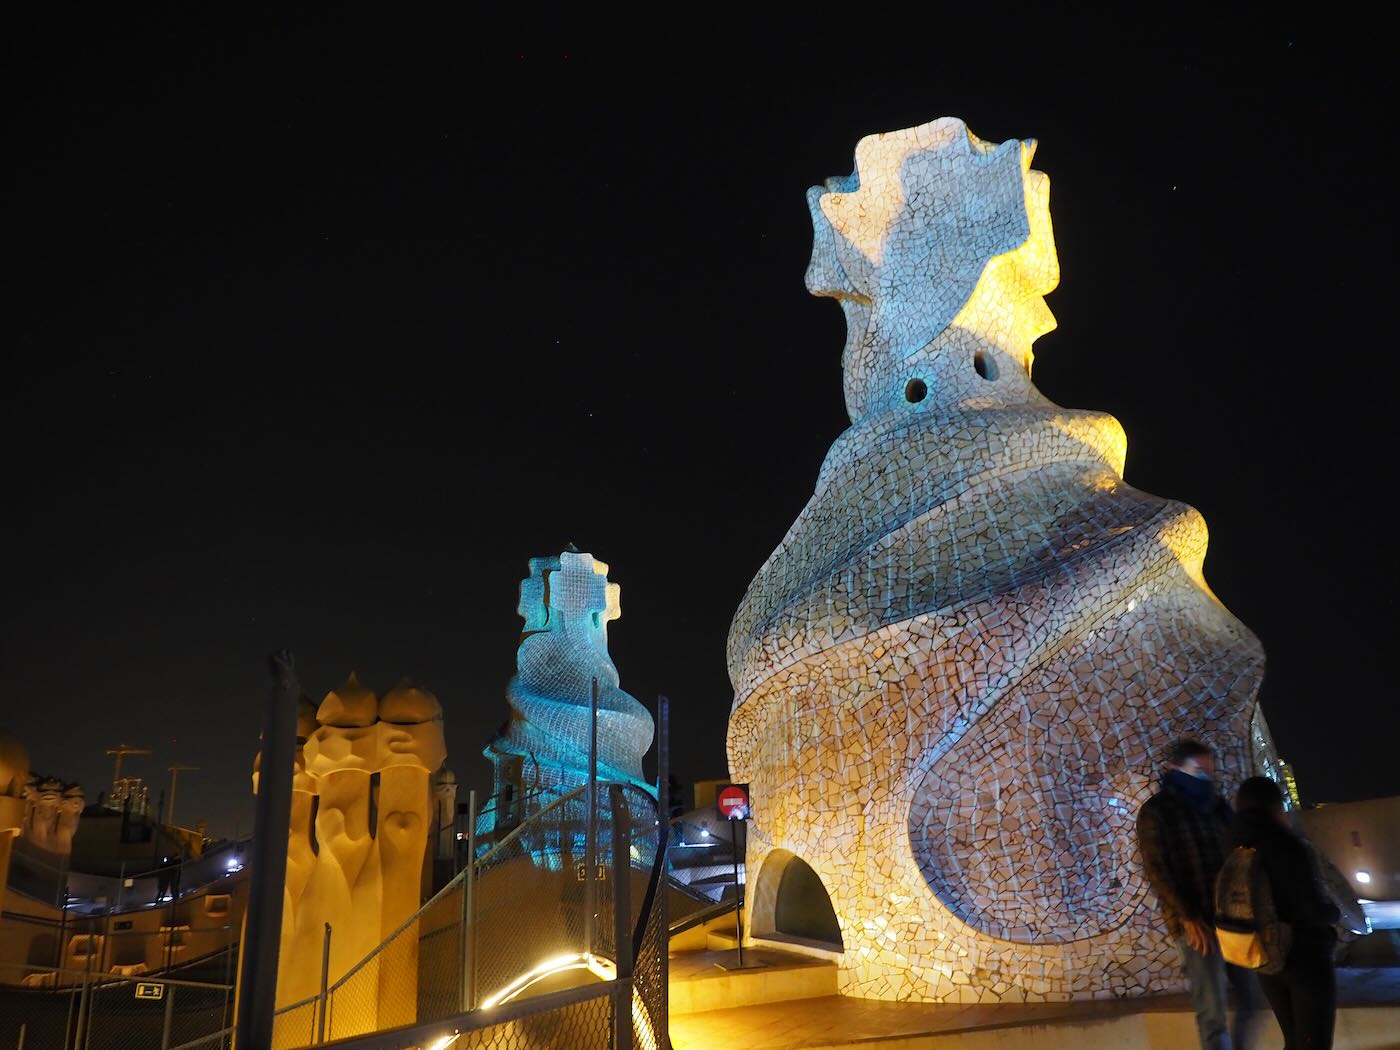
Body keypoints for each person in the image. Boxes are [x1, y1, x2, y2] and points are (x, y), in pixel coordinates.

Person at [1137, 738, 1259, 1050]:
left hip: (1232, 919)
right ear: (1175, 768)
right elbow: (1156, 868)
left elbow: (1238, 854)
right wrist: (1187, 916)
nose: (1205, 777)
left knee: (1251, 998)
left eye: (1209, 771)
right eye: (1198, 770)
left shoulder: (1217, 807)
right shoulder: (1157, 811)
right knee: (1212, 1010)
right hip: (1196, 925)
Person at [1231, 775, 1339, 1050]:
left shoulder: (1234, 847)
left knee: (1293, 1040)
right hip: (1304, 956)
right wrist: (1334, 914)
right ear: (1274, 806)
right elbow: (1311, 907)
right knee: (1313, 1041)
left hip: (1264, 958)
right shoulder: (1287, 845)